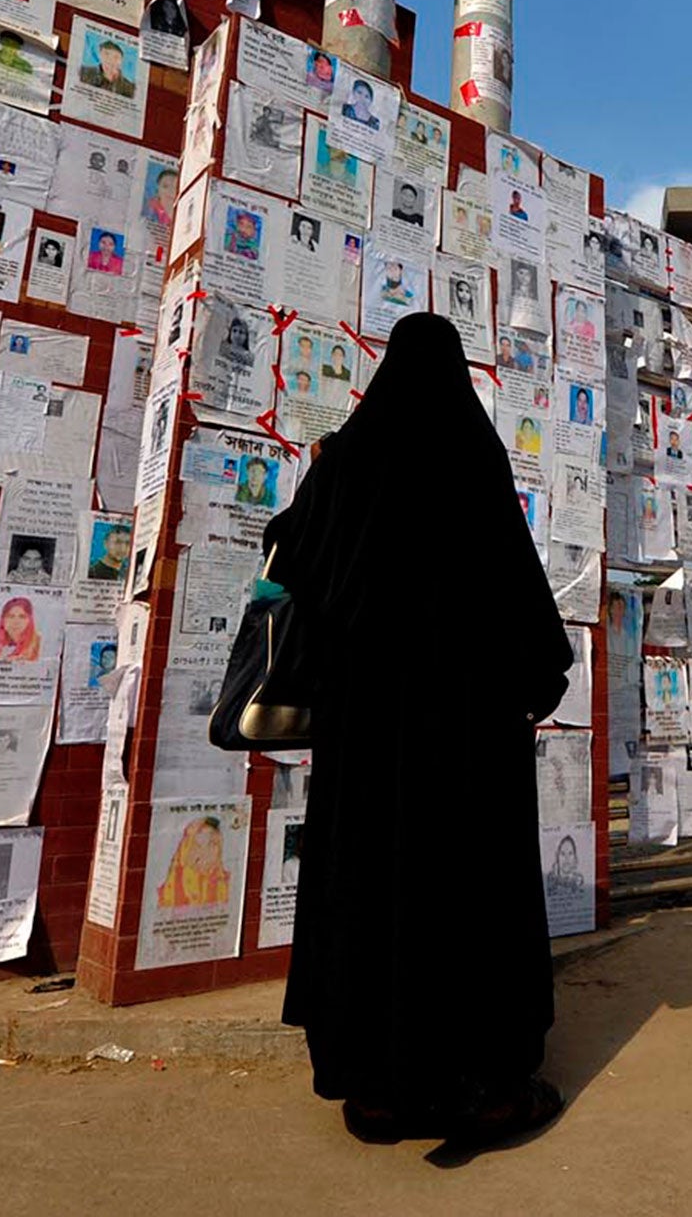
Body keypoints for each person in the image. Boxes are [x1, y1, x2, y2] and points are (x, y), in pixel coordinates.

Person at [262, 314, 571, 1144]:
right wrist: (535, 679)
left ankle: (378, 1090)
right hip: (470, 739)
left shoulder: (344, 467)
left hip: (365, 738)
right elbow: (523, 604)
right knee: (472, 893)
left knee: (368, 888)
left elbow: (286, 574)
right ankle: (488, 1087)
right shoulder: (474, 458)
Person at [157, 816, 229, 907]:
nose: (205, 853)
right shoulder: (169, 890)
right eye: (197, 845)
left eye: (212, 844)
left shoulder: (228, 884)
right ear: (185, 849)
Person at [0, 597, 41, 662]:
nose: (16, 622)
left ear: (30, 620)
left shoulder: (38, 644)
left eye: (22, 617)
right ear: (3, 620)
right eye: (11, 616)